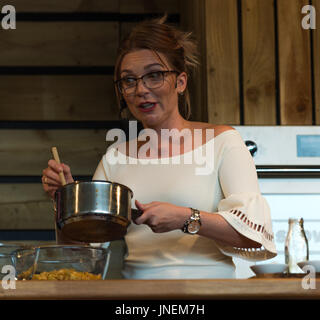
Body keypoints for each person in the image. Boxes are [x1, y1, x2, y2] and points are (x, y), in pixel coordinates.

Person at [42, 16, 277, 279]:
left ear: (180, 82)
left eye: (154, 75)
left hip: (210, 294)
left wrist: (186, 219)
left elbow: (254, 236)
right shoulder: (115, 159)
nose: (141, 89)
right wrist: (65, 201)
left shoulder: (223, 142)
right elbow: (81, 256)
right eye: (128, 81)